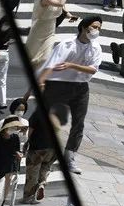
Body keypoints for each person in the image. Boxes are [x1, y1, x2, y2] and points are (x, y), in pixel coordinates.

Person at [36, 16, 103, 174]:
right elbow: (51, 64)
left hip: (81, 88)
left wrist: (72, 65)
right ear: (84, 27)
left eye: (99, 28)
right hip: (60, 86)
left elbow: (93, 69)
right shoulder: (67, 44)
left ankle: (69, 158)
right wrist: (41, 82)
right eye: (94, 27)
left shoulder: (96, 48)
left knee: (79, 124)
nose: (96, 31)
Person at [26, 0, 74, 70]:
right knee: (31, 58)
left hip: (50, 30)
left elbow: (63, 8)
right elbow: (60, 4)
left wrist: (69, 15)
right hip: (39, 30)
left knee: (45, 57)